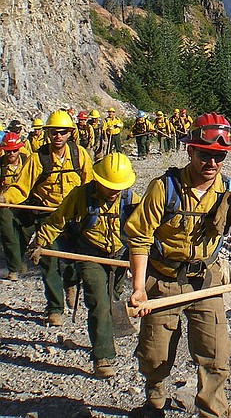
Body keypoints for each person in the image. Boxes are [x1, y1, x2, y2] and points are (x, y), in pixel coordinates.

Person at [126, 112, 231, 418]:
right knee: (155, 354)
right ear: (190, 150)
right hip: (162, 280)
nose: (211, 164)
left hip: (205, 282)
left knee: (215, 356)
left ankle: (212, 412)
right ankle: (154, 402)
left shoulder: (230, 193)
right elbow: (139, 237)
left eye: (219, 157)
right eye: (205, 155)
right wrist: (139, 288)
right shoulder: (163, 189)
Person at [30, 153, 139, 377]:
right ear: (98, 180)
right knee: (98, 302)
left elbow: (144, 231)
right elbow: (58, 219)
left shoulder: (131, 199)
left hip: (119, 256)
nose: (114, 191)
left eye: (118, 186)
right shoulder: (82, 196)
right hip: (90, 254)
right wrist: (39, 242)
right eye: (110, 186)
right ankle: (103, 356)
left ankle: (107, 333)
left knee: (112, 299)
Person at [0, 110, 94, 326]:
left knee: (72, 260)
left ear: (70, 133)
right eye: (53, 132)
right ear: (48, 134)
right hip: (47, 217)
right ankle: (54, 308)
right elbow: (22, 188)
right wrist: (5, 197)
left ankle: (70, 282)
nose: (58, 137)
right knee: (48, 262)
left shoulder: (80, 155)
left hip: (73, 216)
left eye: (62, 132)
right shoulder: (37, 158)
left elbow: (90, 185)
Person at [0, 133, 28, 281]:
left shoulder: (28, 160)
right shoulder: (1, 165)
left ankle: (19, 261)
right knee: (8, 234)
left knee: (24, 233)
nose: (11, 154)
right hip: (6, 204)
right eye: (8, 151)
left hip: (27, 202)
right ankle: (13, 269)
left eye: (14, 150)